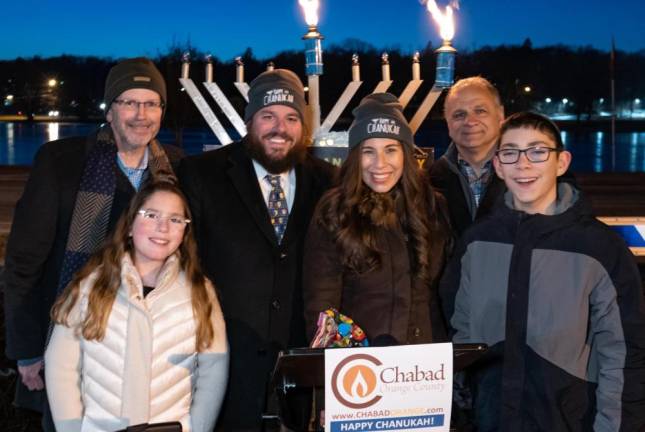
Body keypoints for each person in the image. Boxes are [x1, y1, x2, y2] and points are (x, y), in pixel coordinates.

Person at [3, 57, 183, 426]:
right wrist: (26, 350)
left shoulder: (179, 169)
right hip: (72, 347)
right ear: (110, 109)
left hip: (149, 354)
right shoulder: (61, 162)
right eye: (129, 102)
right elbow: (23, 261)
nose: (140, 114)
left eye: (151, 103)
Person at [440, 111, 645, 431]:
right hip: (490, 419)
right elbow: (460, 334)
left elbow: (624, 355)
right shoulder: (476, 243)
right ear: (497, 165)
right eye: (510, 153)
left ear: (561, 162)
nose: (523, 164)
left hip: (570, 420)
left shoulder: (599, 248)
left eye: (538, 151)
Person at [178, 68, 335, 430]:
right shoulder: (202, 174)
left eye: (292, 118)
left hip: (301, 363)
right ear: (249, 121)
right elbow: (185, 266)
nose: (280, 128)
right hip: (225, 360)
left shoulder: (328, 181)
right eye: (268, 116)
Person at [45, 180, 228, 432]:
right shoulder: (89, 287)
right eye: (151, 215)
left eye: (175, 220)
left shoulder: (200, 290)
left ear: (184, 232)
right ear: (130, 225)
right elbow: (60, 367)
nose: (163, 227)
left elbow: (213, 368)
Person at [303, 93, 450, 345]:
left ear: (405, 153)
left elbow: (440, 296)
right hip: (360, 370)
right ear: (354, 158)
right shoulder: (335, 210)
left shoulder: (433, 205)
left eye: (390, 150)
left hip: (423, 368)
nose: (379, 164)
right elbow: (322, 305)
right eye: (368, 151)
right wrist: (357, 360)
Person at [428, 76, 506, 236]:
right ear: (447, 123)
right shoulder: (428, 182)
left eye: (480, 111)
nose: (470, 121)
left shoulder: (529, 173)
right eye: (458, 114)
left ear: (500, 115)